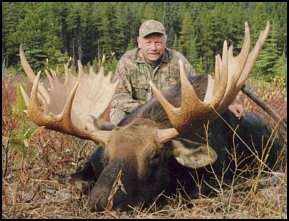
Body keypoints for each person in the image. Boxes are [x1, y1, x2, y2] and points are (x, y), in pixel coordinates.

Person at [110, 20, 244, 125]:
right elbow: (119, 98)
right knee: (117, 115)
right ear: (139, 42)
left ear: (165, 42)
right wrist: (146, 110)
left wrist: (228, 105)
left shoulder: (178, 61)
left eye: (158, 42)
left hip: (167, 119)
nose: (153, 48)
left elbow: (200, 89)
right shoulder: (127, 62)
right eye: (148, 42)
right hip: (136, 117)